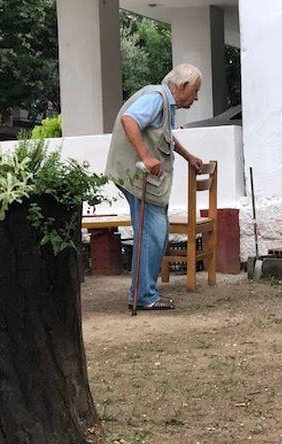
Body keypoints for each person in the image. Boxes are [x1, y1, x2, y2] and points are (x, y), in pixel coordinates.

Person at [105, 63, 204, 310]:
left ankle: (144, 292)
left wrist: (188, 156)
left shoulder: (165, 103)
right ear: (183, 86)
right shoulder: (156, 99)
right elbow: (129, 120)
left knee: (155, 232)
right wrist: (146, 156)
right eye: (195, 91)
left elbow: (164, 135)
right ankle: (142, 295)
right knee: (152, 232)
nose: (196, 97)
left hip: (141, 177)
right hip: (137, 175)